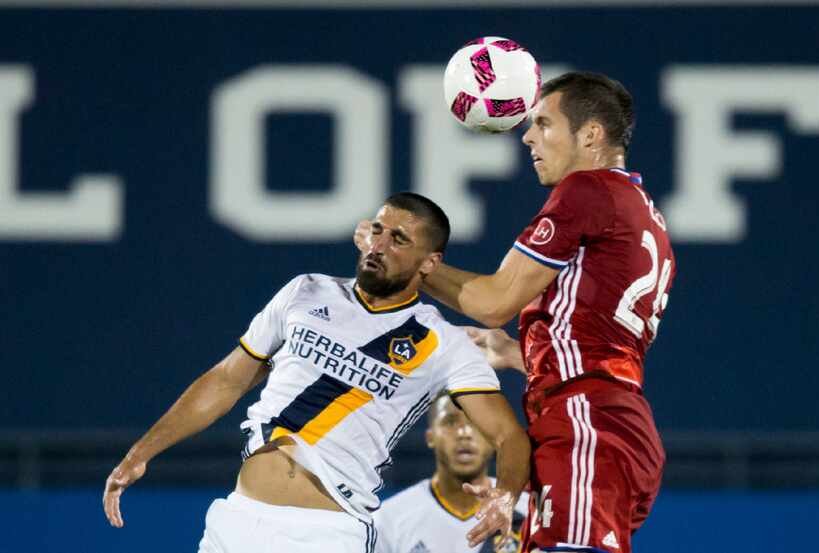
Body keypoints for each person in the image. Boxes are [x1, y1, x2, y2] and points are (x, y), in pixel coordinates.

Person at [102, 192, 531, 553]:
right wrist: (141, 453)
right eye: (377, 230)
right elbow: (227, 379)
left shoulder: (443, 342)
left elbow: (509, 436)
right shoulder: (306, 290)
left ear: (429, 264)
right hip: (239, 520)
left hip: (327, 534)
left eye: (399, 239)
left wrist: (505, 494)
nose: (379, 245)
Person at [356, 72, 675, 553]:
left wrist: (400, 259)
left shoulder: (588, 190)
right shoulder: (641, 208)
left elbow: (493, 302)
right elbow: (605, 345)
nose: (527, 136)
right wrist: (521, 351)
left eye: (543, 124)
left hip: (585, 424)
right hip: (605, 423)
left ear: (591, 134)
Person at [375, 392, 529, 553]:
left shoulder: (528, 511)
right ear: (430, 437)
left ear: (493, 439)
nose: (464, 433)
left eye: (476, 423)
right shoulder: (387, 521)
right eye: (450, 422)